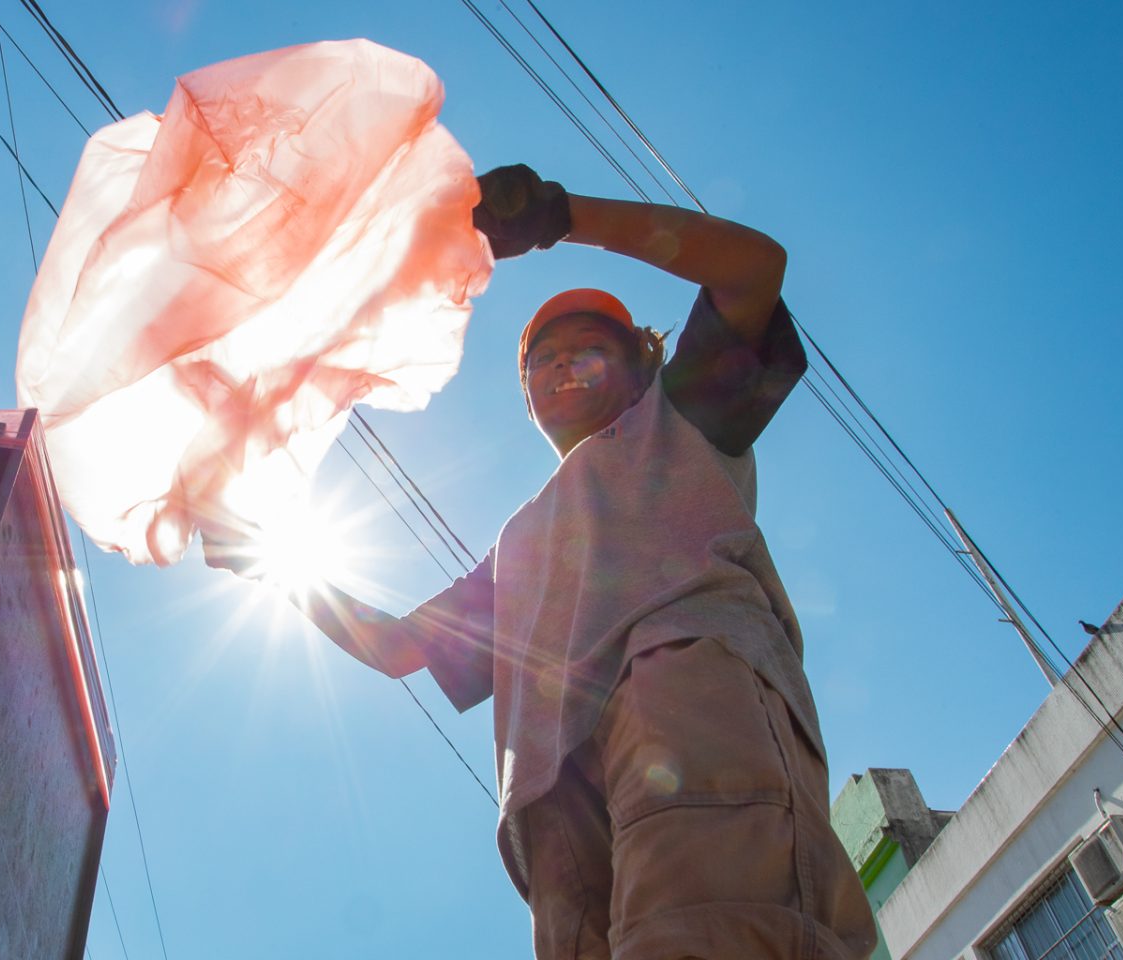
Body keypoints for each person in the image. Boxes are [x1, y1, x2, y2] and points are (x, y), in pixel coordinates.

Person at [205, 164, 877, 960]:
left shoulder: (680, 419)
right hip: (553, 798)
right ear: (526, 397)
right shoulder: (518, 547)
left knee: (716, 935)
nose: (563, 365)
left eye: (592, 349)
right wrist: (263, 562)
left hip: (686, 698)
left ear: (643, 367)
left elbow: (753, 267)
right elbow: (392, 647)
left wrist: (561, 215)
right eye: (543, 359)